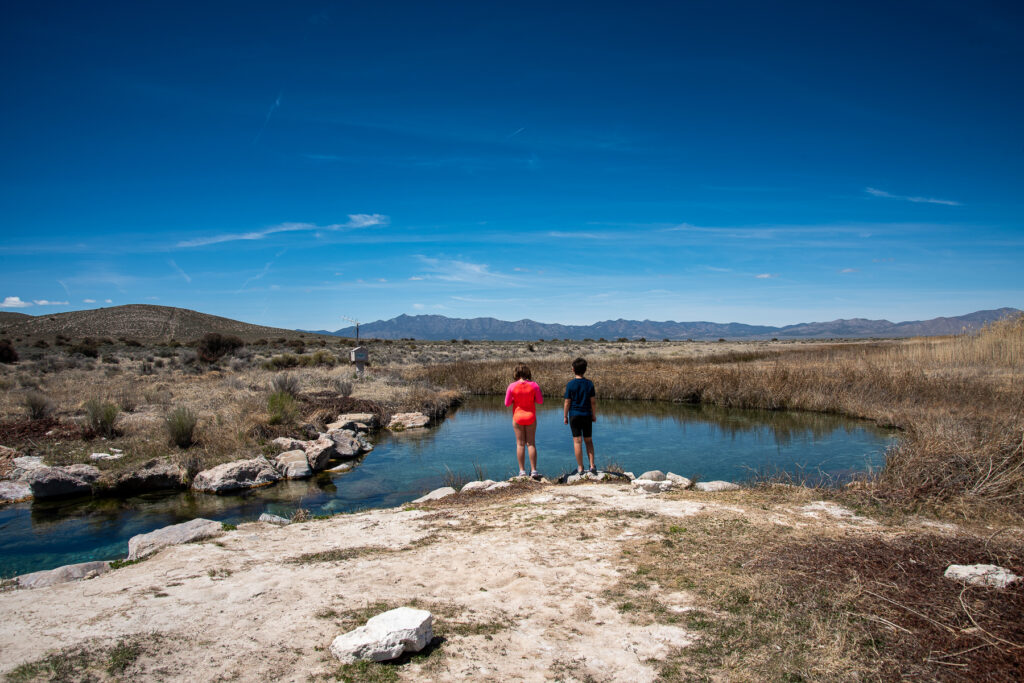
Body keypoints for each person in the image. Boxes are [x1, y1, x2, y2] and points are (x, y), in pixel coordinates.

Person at [504, 363, 543, 477]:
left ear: (516, 373)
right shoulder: (534, 385)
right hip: (530, 416)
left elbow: (507, 404)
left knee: (520, 444)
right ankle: (534, 470)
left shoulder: (512, 386)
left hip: (518, 417)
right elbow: (540, 401)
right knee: (531, 444)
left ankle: (522, 471)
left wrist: (513, 399)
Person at [563, 357, 597, 474]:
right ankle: (592, 465)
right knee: (589, 440)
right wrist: (594, 414)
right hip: (587, 415)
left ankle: (581, 467)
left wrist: (565, 416)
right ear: (585, 370)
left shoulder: (570, 384)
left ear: (573, 369)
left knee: (577, 441)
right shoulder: (589, 384)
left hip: (574, 415)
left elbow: (567, 402)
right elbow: (592, 401)